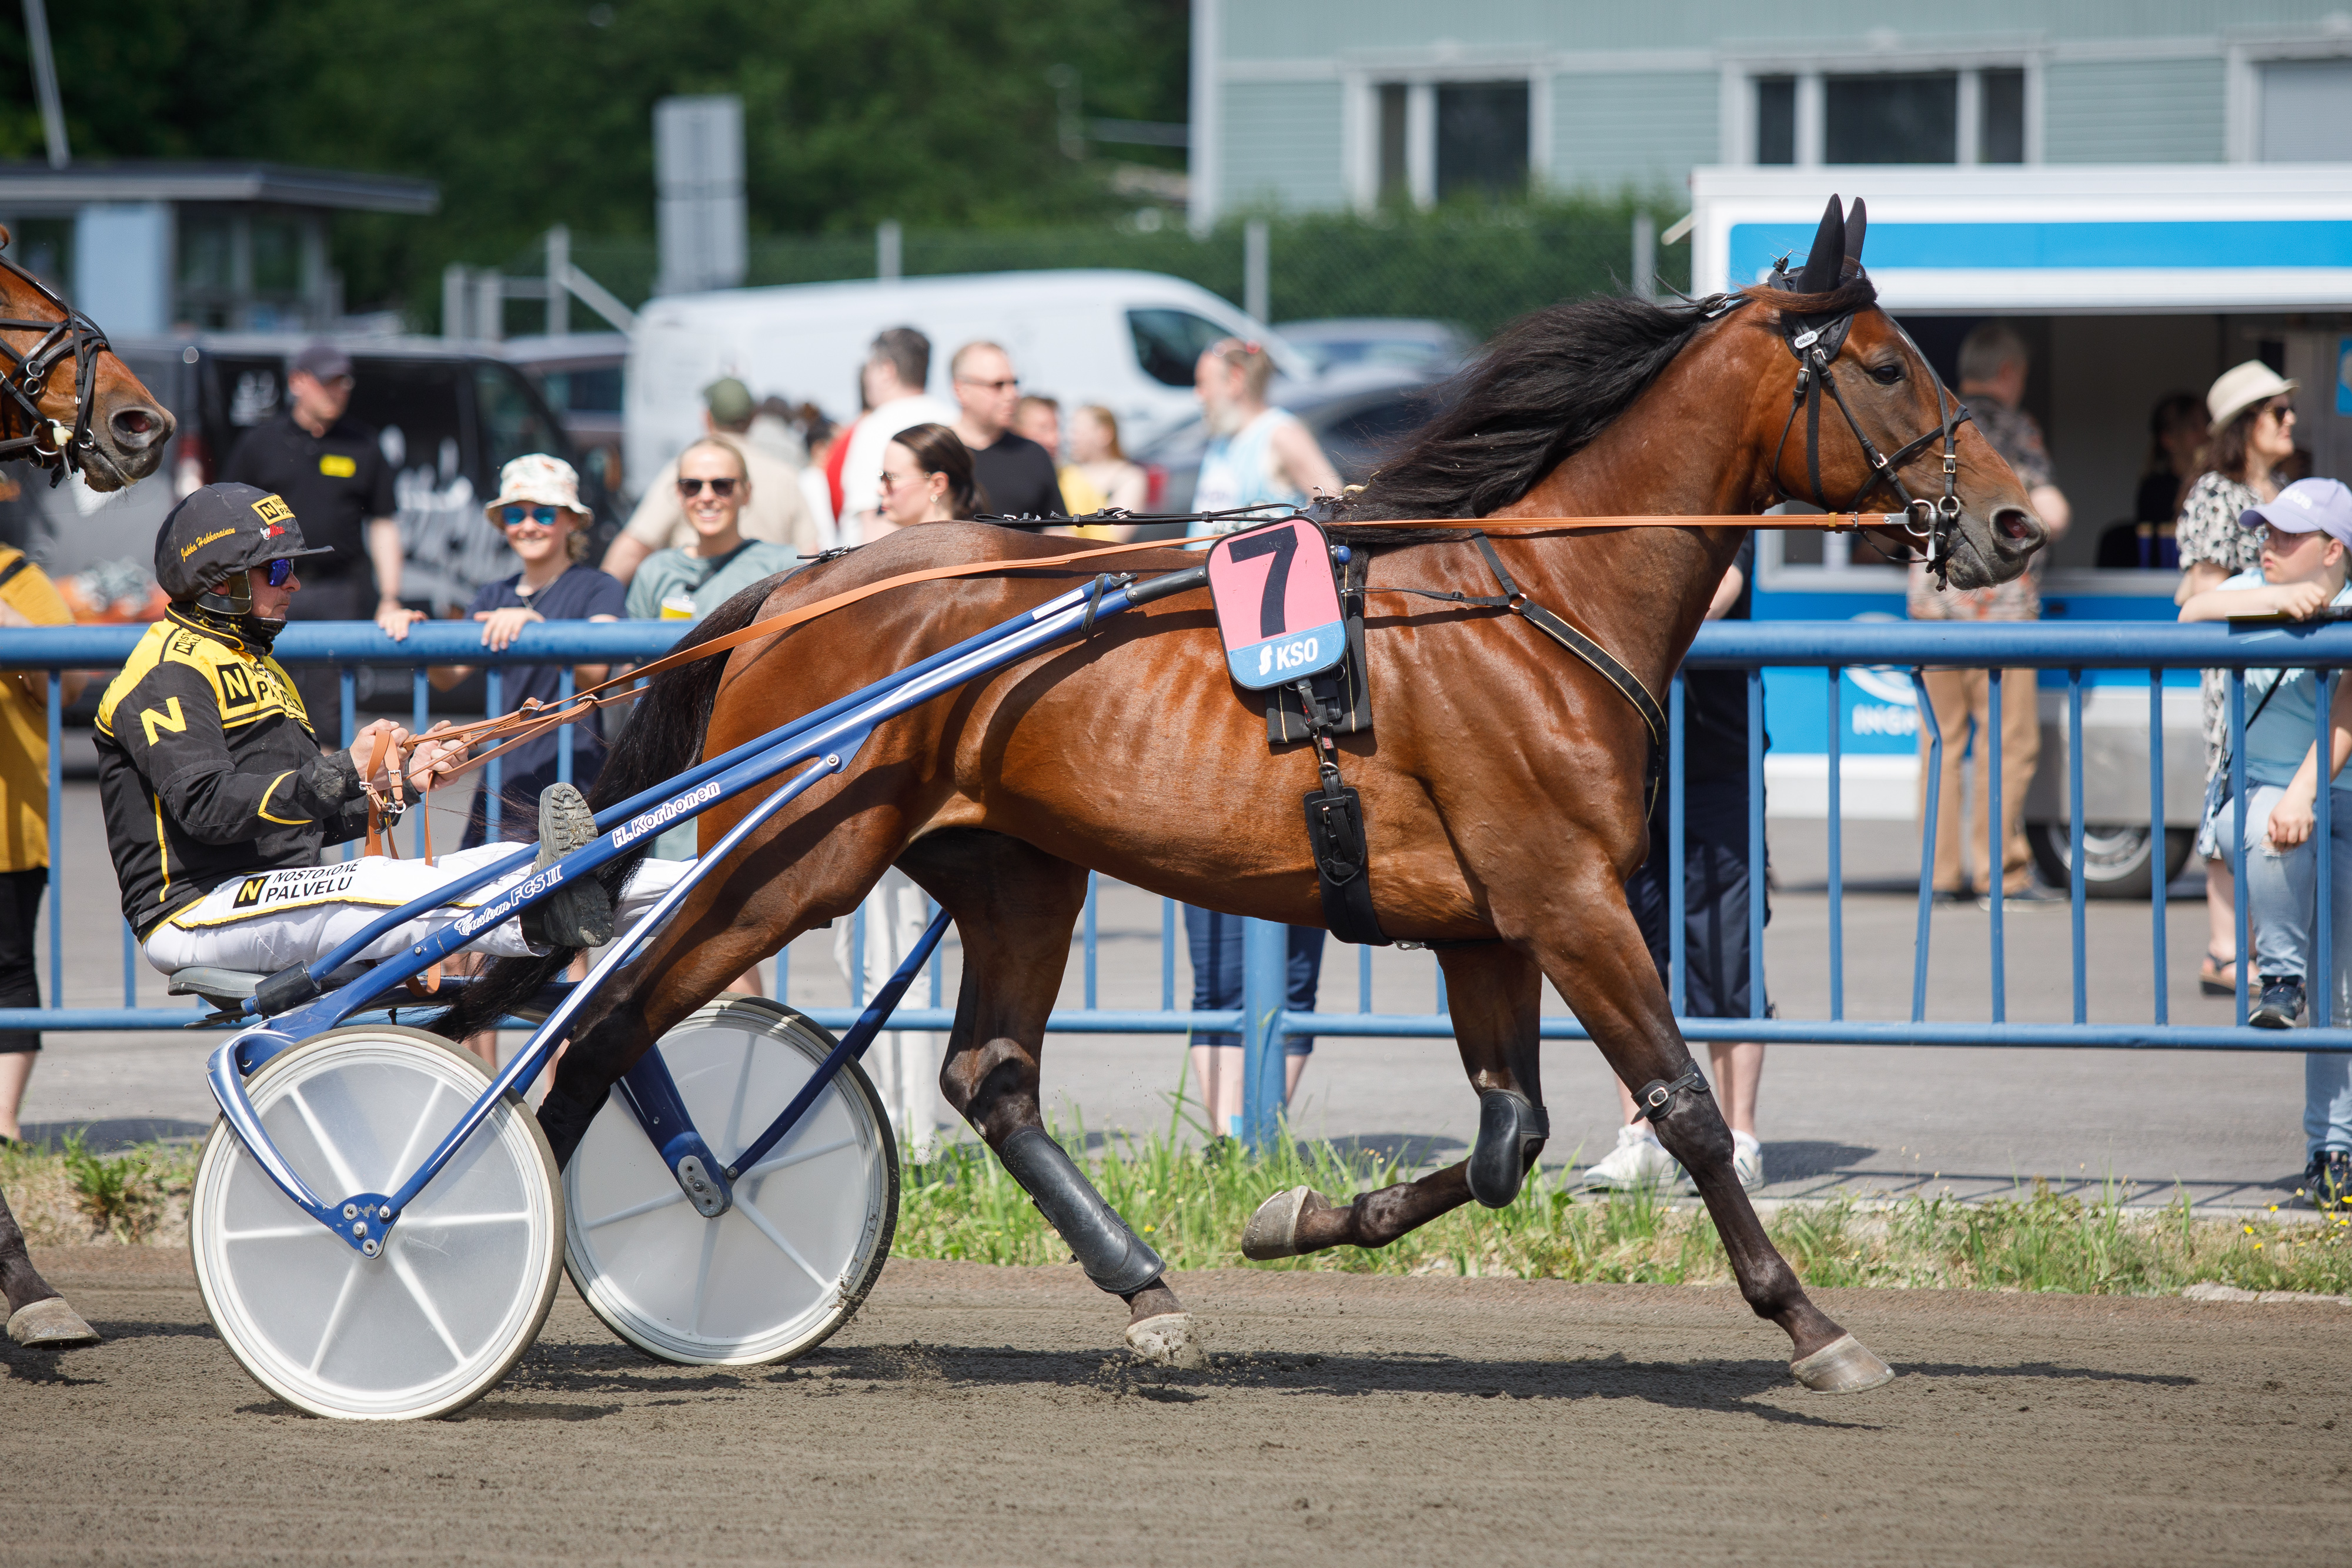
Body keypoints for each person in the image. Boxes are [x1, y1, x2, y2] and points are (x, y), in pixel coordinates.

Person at [98, 483, 681, 984]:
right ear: (220, 580)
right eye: (277, 568)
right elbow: (206, 809)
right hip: (197, 909)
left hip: (268, 891)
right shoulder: (166, 672)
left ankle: (697, 883)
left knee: (505, 858)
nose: (294, 583)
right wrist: (345, 770)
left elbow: (301, 817)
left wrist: (399, 784)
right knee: (388, 885)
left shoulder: (259, 665)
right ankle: (542, 913)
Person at [1175, 339, 1345, 1137]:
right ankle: (1224, 1134)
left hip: (1273, 667)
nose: (1196, 391)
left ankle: (1257, 1125)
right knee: (1214, 955)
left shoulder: (1274, 430)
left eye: (1205, 377)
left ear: (1236, 378)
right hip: (1214, 658)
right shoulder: (1219, 441)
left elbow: (1332, 505)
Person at [2177, 477, 2352, 1209]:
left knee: (2340, 997)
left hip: (2328, 794)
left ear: (2333, 550)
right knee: (2262, 831)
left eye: (2286, 535)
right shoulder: (2257, 583)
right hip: (2252, 796)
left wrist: (2304, 795)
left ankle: (2332, 1153)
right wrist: (2272, 601)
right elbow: (2191, 610)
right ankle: (2279, 976)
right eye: (2265, 531)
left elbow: (2347, 710)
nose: (2267, 545)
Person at [1583, 540, 1769, 1192]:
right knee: (1628, 957)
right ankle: (1640, 1136)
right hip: (1622, 760)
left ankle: (1739, 1137)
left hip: (1718, 761)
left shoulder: (1719, 496)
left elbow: (1719, 592)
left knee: (1726, 954)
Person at [834, 423, 973, 1155]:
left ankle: (908, 1138)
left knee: (896, 961)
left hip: (926, 791)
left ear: (936, 485)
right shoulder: (894, 557)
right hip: (886, 779)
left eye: (892, 479)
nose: (880, 493)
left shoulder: (966, 565)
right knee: (864, 957)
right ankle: (886, 1127)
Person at [1909, 322, 2072, 905]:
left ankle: (1940, 872)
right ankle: (1998, 874)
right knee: (2006, 745)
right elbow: (2046, 508)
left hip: (1932, 611)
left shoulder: (1931, 423)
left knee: (1941, 744)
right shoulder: (2011, 427)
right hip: (2001, 615)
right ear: (2009, 372)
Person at [383, 456, 625, 848]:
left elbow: (595, 673)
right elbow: (450, 675)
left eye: (544, 514)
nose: (528, 525)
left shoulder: (600, 587)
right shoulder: (494, 593)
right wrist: (415, 634)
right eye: (516, 514)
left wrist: (538, 629)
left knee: (563, 901)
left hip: (574, 780)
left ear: (571, 520)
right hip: (503, 781)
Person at [2178, 360, 2301, 996]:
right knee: (2229, 796)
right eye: (2277, 411)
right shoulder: (2213, 493)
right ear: (2244, 424)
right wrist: (2284, 600)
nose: (2290, 421)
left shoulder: (2281, 488)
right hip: (2234, 674)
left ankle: (2254, 946)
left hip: (2283, 675)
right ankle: (2225, 949)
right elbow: (2203, 591)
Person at [219, 342, 402, 744]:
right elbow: (230, 518)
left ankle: (324, 792)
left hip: (339, 590)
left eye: (343, 383)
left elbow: (384, 522)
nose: (338, 392)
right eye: (327, 383)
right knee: (263, 688)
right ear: (298, 383)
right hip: (270, 584)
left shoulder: (364, 444)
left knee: (329, 704)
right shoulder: (261, 443)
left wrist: (390, 596)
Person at [0, 545, 83, 1147]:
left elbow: (73, 681)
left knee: (7, 965)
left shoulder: (13, 574)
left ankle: (2, 1123)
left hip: (9, 818)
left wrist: (8, 618)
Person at [601, 377, 820, 585]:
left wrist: (597, 597)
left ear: (707, 417)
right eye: (694, 488)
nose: (707, 495)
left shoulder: (687, 470)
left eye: (722, 486)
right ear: (754, 418)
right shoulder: (786, 476)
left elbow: (636, 546)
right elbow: (810, 556)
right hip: (766, 614)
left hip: (699, 611)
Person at [1186, 338, 1342, 538]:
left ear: (1235, 379)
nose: (1198, 395)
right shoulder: (1223, 438)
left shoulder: (1280, 434)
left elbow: (1332, 502)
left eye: (1203, 384)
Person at [837, 328, 958, 540]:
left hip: (889, 564)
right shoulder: (953, 420)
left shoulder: (873, 429)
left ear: (887, 371)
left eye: (870, 368)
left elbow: (870, 525)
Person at [949, 342, 1063, 520]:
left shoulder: (1033, 454)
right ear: (961, 389)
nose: (1012, 394)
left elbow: (1059, 530)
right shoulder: (934, 453)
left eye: (1014, 383)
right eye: (998, 384)